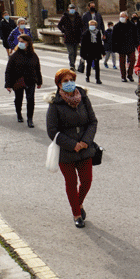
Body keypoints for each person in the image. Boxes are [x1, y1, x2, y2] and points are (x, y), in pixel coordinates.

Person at [46, 67, 99, 228]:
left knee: (87, 181)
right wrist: (72, 144)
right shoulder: (55, 103)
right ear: (59, 84)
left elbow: (92, 121)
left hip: (84, 147)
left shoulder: (83, 97)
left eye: (71, 80)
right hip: (66, 151)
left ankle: (79, 203)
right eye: (65, 81)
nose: (69, 83)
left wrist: (85, 142)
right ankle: (76, 213)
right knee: (71, 183)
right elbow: (52, 131)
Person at [5, 34, 43, 127]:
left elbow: (37, 69)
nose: (21, 43)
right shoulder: (15, 55)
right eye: (20, 42)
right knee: (19, 99)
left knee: (30, 100)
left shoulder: (33, 55)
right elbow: (8, 70)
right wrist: (8, 84)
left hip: (30, 80)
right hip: (18, 80)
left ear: (28, 43)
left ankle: (30, 119)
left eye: (23, 42)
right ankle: (19, 114)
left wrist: (39, 81)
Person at [110, 10, 140, 82]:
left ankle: (130, 74)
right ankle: (123, 76)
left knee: (132, 60)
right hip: (121, 47)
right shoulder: (116, 26)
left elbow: (136, 36)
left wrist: (137, 45)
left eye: (123, 16)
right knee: (122, 62)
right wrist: (114, 48)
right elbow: (114, 38)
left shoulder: (132, 25)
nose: (121, 18)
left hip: (130, 46)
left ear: (127, 17)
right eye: (120, 16)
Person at [58, 3, 85, 71]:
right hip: (68, 37)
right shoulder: (65, 17)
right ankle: (72, 64)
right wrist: (64, 31)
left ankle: (73, 63)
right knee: (71, 52)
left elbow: (82, 26)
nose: (72, 10)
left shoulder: (78, 17)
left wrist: (82, 33)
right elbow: (59, 25)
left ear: (75, 9)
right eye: (70, 8)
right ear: (68, 9)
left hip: (76, 37)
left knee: (75, 52)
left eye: (73, 8)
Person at [79, 16, 105, 84]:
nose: (92, 26)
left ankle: (98, 79)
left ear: (95, 26)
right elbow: (83, 45)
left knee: (97, 66)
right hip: (88, 52)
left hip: (96, 51)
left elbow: (100, 42)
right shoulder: (85, 33)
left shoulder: (98, 33)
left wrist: (103, 51)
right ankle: (87, 76)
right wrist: (82, 54)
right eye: (91, 25)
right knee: (89, 65)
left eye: (93, 25)